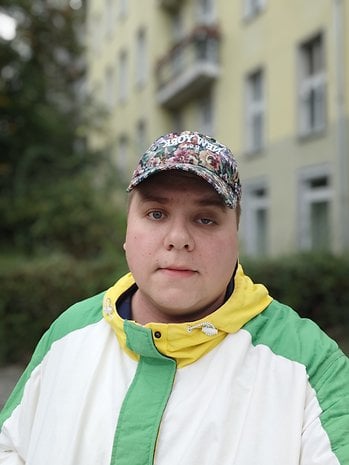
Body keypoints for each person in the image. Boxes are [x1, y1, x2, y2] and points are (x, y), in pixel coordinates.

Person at [0, 130, 348, 465]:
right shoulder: (68, 332)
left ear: (236, 238)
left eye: (206, 219)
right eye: (156, 214)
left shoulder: (309, 362)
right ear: (127, 231)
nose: (178, 238)